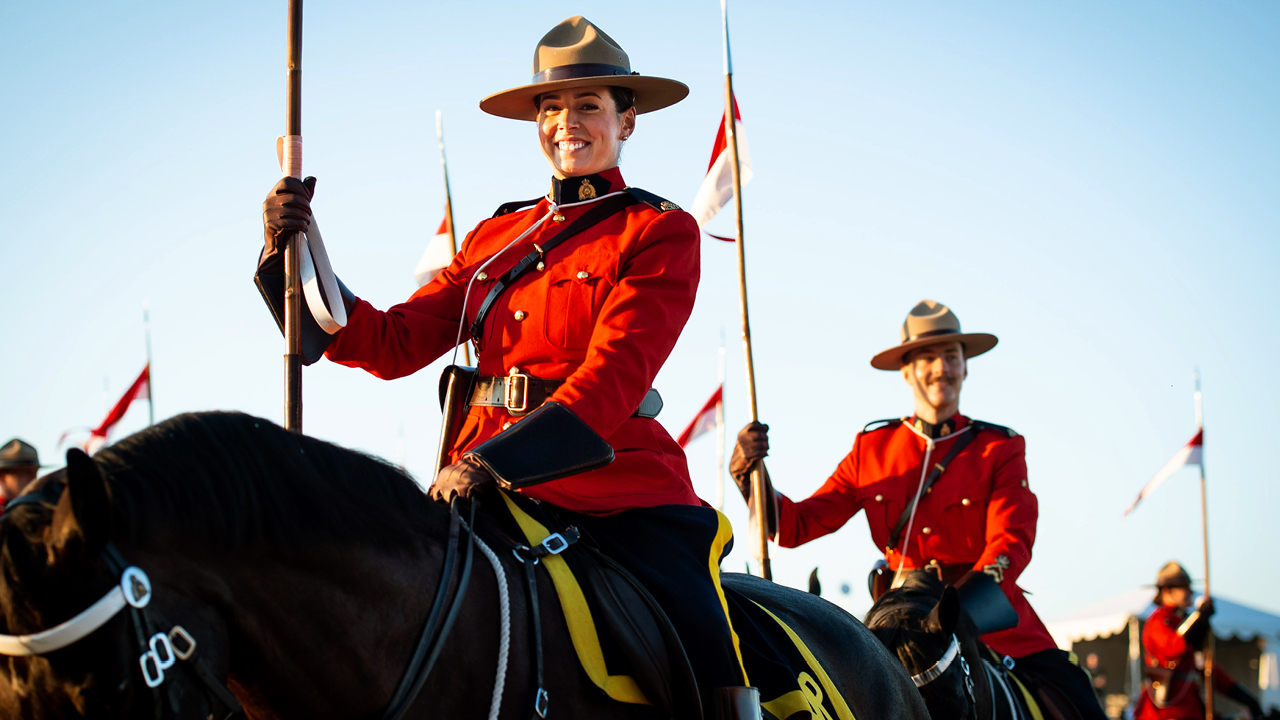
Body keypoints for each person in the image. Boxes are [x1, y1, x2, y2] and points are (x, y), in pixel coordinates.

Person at [254, 16, 758, 719]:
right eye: (551, 107)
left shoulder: (658, 230)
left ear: (628, 120)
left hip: (615, 489)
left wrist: (495, 462)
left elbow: (613, 379)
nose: (567, 122)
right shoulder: (500, 235)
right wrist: (297, 250)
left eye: (589, 106)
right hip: (477, 490)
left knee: (703, 640)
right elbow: (393, 341)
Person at [732, 299, 1106, 719]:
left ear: (965, 366)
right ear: (907, 372)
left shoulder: (999, 447)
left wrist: (957, 612)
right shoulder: (872, 448)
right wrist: (752, 477)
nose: (941, 368)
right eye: (928, 358)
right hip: (898, 621)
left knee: (1074, 693)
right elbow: (794, 526)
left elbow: (1010, 543)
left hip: (983, 611)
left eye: (952, 356)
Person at [1135, 562, 1263, 720]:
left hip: (1191, 708)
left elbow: (1206, 669)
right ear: (1168, 590)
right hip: (1164, 712)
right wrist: (1199, 618)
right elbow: (1175, 647)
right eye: (1184, 587)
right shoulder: (1158, 621)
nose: (1190, 592)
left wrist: (1246, 698)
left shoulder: (1184, 621)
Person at [0, 439, 42, 506]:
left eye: (35, 472)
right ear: (2, 476)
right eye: (26, 472)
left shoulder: (46, 511)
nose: (34, 478)